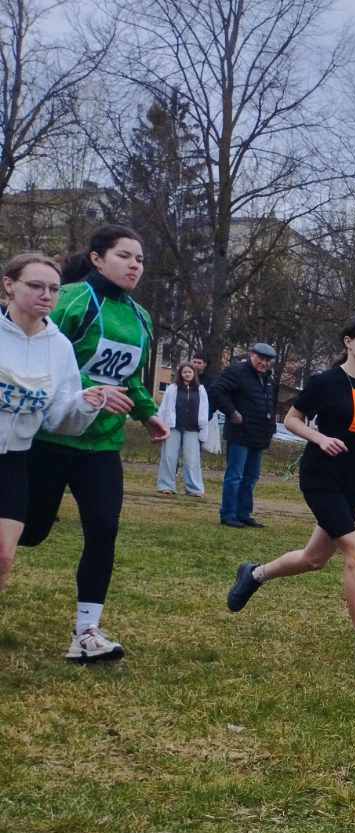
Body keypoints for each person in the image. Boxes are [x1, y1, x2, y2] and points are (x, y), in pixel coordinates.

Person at [225, 315, 355, 664]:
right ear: (348, 342)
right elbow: (292, 419)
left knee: (314, 559)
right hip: (321, 477)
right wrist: (320, 438)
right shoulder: (325, 382)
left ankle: (254, 574)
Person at [22, 225, 170, 662]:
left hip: (102, 446)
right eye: (125, 256)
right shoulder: (69, 300)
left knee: (104, 529)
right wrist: (93, 392)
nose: (135, 265)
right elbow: (43, 361)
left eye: (140, 259)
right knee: (31, 532)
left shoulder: (141, 317)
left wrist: (147, 411)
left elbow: (129, 377)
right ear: (97, 258)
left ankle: (87, 632)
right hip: (51, 437)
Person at [0, 251, 119, 596]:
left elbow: (57, 419)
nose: (46, 295)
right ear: (9, 285)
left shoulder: (60, 348)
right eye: (36, 286)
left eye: (53, 289)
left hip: (14, 462)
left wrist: (85, 403)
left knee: (4, 557)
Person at [213, 341, 277, 528]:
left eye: (268, 360)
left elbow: (269, 405)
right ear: (252, 355)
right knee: (235, 476)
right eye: (261, 358)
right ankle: (228, 514)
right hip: (240, 433)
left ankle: (244, 513)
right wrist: (232, 412)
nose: (264, 363)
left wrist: (270, 428)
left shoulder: (268, 379)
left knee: (251, 477)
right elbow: (217, 391)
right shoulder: (237, 372)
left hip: (259, 434)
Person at [155, 360, 209, 497]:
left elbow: (204, 410)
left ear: (194, 374)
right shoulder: (172, 389)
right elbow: (164, 408)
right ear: (180, 374)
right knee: (169, 457)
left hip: (192, 428)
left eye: (189, 372)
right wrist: (160, 424)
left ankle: (194, 489)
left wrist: (203, 428)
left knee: (192, 459)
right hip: (173, 426)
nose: (187, 374)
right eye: (184, 372)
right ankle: (166, 486)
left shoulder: (200, 390)